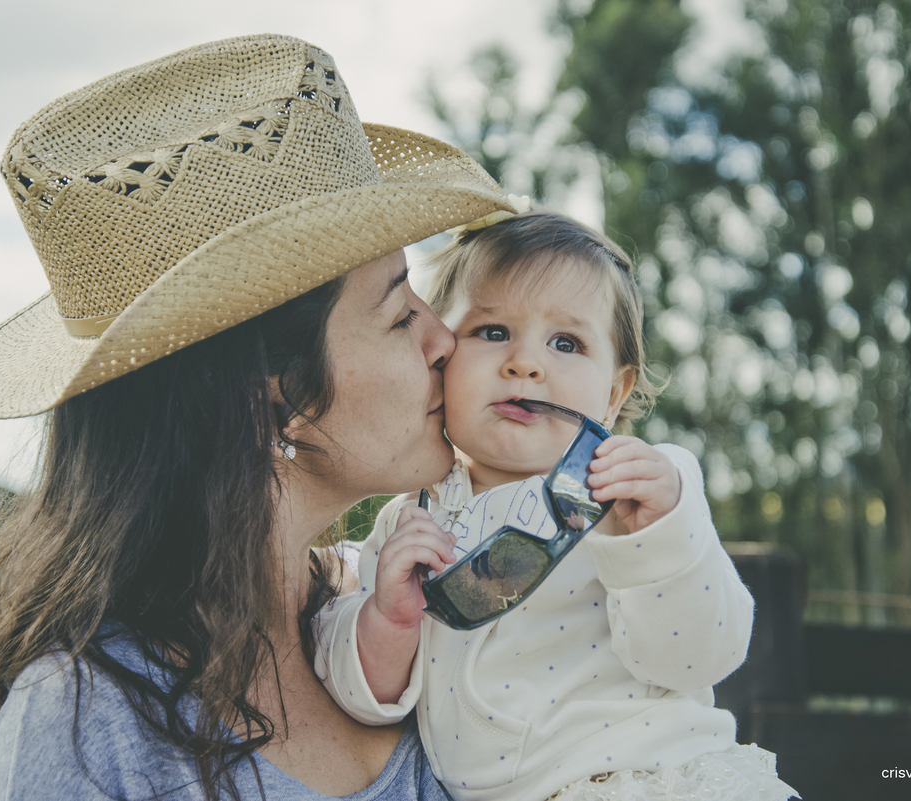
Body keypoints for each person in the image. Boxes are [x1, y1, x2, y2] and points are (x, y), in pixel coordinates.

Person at [0, 34, 517, 800]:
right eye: (399, 313)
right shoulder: (82, 729)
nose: (444, 339)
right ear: (276, 394)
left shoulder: (388, 619)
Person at [314, 212, 801, 801]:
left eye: (565, 343)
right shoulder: (408, 520)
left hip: (654, 780)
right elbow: (361, 697)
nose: (526, 363)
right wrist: (387, 625)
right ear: (439, 357)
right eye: (493, 331)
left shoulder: (636, 490)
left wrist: (659, 541)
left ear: (613, 394)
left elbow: (701, 658)